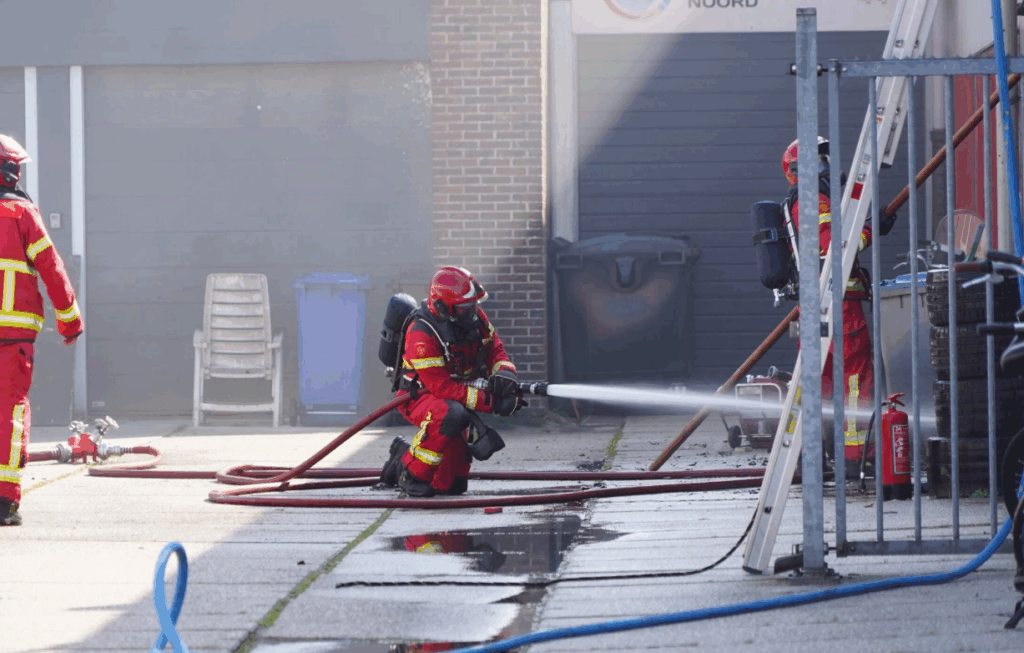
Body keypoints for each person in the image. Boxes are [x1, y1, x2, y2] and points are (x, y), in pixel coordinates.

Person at [781, 137, 895, 470]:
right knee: (856, 379)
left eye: (825, 160)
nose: (826, 166)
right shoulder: (813, 201)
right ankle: (856, 457)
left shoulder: (806, 201)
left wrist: (866, 225)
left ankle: (809, 457)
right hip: (840, 305)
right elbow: (834, 250)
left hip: (818, 304)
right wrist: (871, 230)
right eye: (818, 161)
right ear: (798, 169)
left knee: (818, 384)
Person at [379, 266, 523, 497]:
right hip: (419, 397)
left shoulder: (475, 319)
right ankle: (410, 474)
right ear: (442, 307)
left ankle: (401, 455)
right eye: (465, 307)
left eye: (473, 305)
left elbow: (495, 350)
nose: (472, 312)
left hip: (455, 398)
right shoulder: (421, 334)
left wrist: (505, 374)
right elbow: (442, 387)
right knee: (451, 415)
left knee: (453, 486)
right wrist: (491, 402)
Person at [0, 134, 83, 526]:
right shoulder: (23, 214)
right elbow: (51, 268)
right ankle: (3, 502)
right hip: (14, 337)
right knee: (9, 412)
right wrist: (70, 320)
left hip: (15, 338)